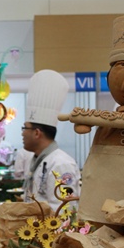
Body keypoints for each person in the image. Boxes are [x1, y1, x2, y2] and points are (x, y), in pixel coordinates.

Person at [22, 70, 81, 212]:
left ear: (37, 133)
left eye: (25, 128)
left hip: (52, 233)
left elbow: (66, 209)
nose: (22, 133)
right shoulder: (37, 159)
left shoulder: (61, 164)